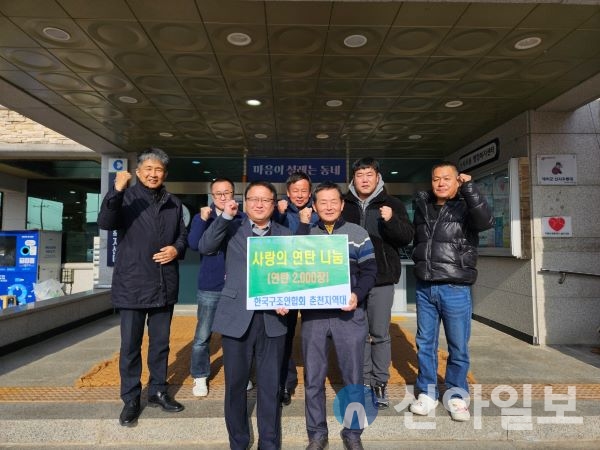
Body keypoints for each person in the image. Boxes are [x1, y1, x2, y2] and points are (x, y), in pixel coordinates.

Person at [97, 147, 187, 427]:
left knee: (160, 345)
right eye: (148, 168)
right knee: (130, 347)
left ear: (165, 173)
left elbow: (183, 236)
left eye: (158, 169)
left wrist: (176, 249)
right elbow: (106, 222)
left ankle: (159, 390)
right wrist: (115, 191)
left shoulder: (174, 202)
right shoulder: (126, 198)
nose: (153, 174)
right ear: (137, 172)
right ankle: (131, 398)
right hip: (133, 284)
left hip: (163, 283)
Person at [199, 181, 290, 450]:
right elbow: (205, 246)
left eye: (266, 200)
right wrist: (225, 215)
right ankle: (238, 442)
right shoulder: (231, 228)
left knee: (270, 386)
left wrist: (288, 297)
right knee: (235, 385)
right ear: (245, 202)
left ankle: (269, 443)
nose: (259, 204)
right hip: (236, 317)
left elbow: (294, 276)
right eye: (254, 199)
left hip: (273, 320)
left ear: (274, 205)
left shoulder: (286, 235)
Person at [409, 161, 493, 422]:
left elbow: (485, 220)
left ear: (458, 181)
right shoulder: (423, 206)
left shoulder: (467, 205)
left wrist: (471, 189)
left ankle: (457, 396)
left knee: (457, 345)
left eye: (447, 178)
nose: (441, 183)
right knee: (425, 344)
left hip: (455, 287)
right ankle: (427, 392)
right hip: (425, 286)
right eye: (436, 179)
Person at [297, 181, 377, 450]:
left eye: (334, 201)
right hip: (314, 316)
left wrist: (357, 294)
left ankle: (352, 432)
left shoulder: (357, 233)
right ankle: (317, 433)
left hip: (350, 315)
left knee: (354, 376)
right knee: (313, 378)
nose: (329, 207)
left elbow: (369, 272)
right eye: (323, 202)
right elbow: (293, 272)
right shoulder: (306, 234)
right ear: (314, 206)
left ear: (342, 205)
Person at [342, 157, 414, 409]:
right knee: (357, 334)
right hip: (351, 281)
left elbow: (406, 238)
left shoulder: (392, 203)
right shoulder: (343, 204)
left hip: (382, 280)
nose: (364, 178)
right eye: (359, 174)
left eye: (368, 174)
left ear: (377, 176)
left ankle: (379, 382)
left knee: (380, 333)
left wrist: (391, 220)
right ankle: (362, 381)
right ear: (353, 178)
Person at [187, 178, 246, 397]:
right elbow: (194, 245)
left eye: (227, 193)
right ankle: (200, 376)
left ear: (234, 194)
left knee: (239, 334)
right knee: (203, 335)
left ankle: (241, 375)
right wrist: (203, 221)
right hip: (210, 285)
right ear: (212, 196)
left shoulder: (242, 218)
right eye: (218, 194)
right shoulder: (202, 217)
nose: (223, 197)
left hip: (237, 285)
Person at [274, 171, 319, 406]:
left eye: (304, 190)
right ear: (288, 193)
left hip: (316, 282)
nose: (300, 195)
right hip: (288, 284)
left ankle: (315, 381)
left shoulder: (320, 210)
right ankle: (285, 383)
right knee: (286, 335)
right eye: (295, 191)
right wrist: (278, 213)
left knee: (315, 336)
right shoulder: (279, 212)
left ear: (309, 192)